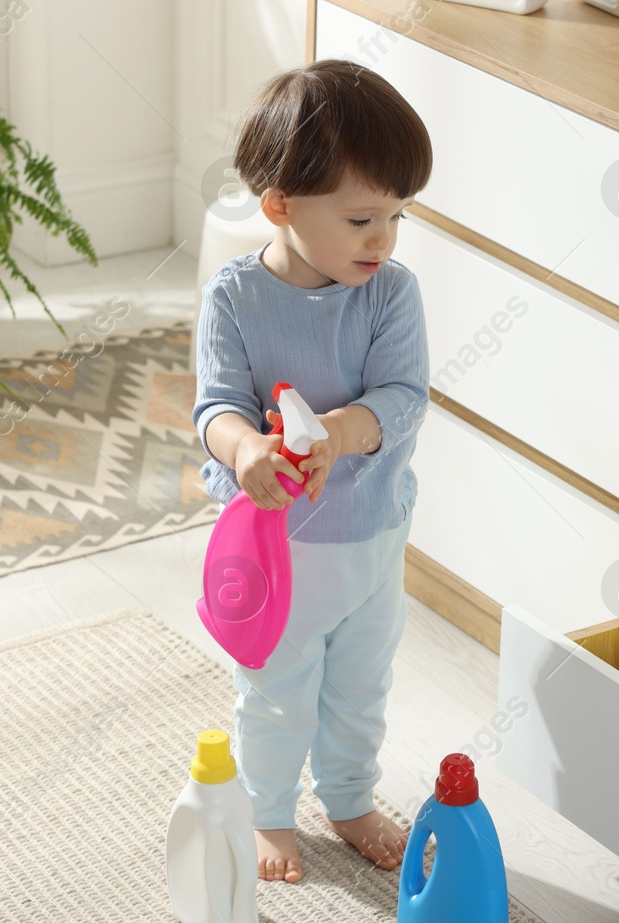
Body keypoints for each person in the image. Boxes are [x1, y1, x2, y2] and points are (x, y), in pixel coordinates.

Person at [191, 58, 432, 884]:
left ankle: (350, 794)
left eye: (397, 216)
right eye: (363, 217)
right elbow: (215, 406)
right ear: (279, 206)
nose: (384, 239)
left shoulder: (389, 295)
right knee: (276, 685)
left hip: (370, 538)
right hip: (277, 552)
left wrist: (337, 429)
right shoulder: (234, 301)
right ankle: (265, 808)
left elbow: (403, 395)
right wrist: (244, 448)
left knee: (361, 680)